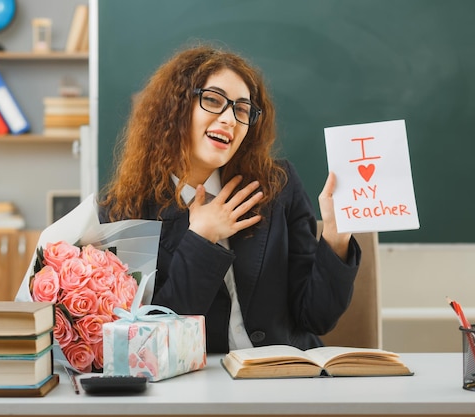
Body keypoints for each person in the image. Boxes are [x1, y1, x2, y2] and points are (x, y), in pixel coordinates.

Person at [99, 44, 361, 354]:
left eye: (242, 109)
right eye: (212, 100)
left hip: (288, 374)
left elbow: (316, 317)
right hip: (200, 385)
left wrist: (336, 237)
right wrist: (201, 237)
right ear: (176, 107)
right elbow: (151, 342)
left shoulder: (278, 185)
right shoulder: (124, 213)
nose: (229, 119)